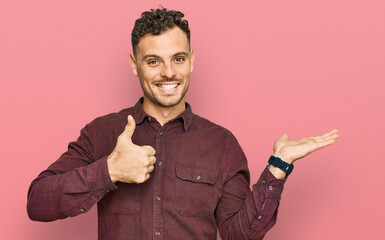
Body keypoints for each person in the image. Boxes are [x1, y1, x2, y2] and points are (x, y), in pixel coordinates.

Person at [27, 7, 339, 240]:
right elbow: (37, 203)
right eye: (153, 61)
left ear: (191, 60)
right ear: (134, 65)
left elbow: (240, 234)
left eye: (178, 59)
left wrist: (278, 167)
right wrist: (109, 171)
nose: (168, 73)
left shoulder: (221, 143)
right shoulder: (102, 132)